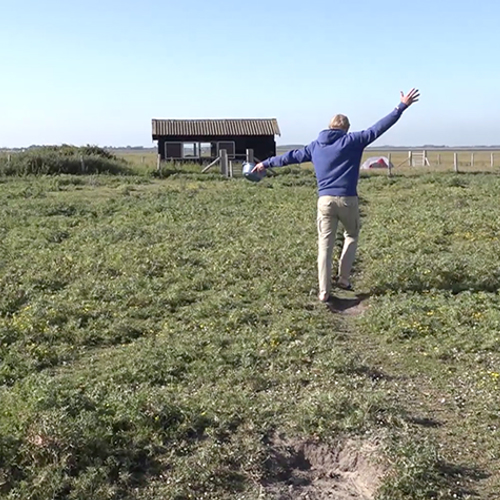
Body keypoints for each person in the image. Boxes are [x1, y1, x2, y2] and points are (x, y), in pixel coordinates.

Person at [252, 89, 420, 302]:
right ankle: (343, 278)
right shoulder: (354, 141)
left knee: (325, 245)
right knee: (351, 235)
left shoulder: (315, 146)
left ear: (329, 127)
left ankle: (324, 292)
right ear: (346, 128)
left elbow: (289, 157)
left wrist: (264, 163)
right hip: (348, 199)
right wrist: (401, 106)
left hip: (324, 201)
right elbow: (379, 128)